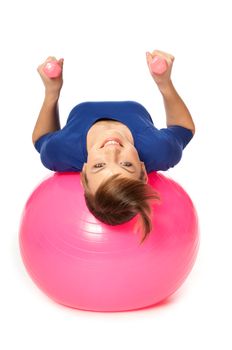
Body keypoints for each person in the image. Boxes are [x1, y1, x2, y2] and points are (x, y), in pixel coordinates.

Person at [33, 50, 195, 243]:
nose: (112, 151)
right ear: (143, 170)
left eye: (99, 166)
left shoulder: (61, 151)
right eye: (126, 164)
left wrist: (52, 92)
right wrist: (164, 83)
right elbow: (184, 129)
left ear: (83, 173)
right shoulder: (159, 149)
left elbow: (41, 138)